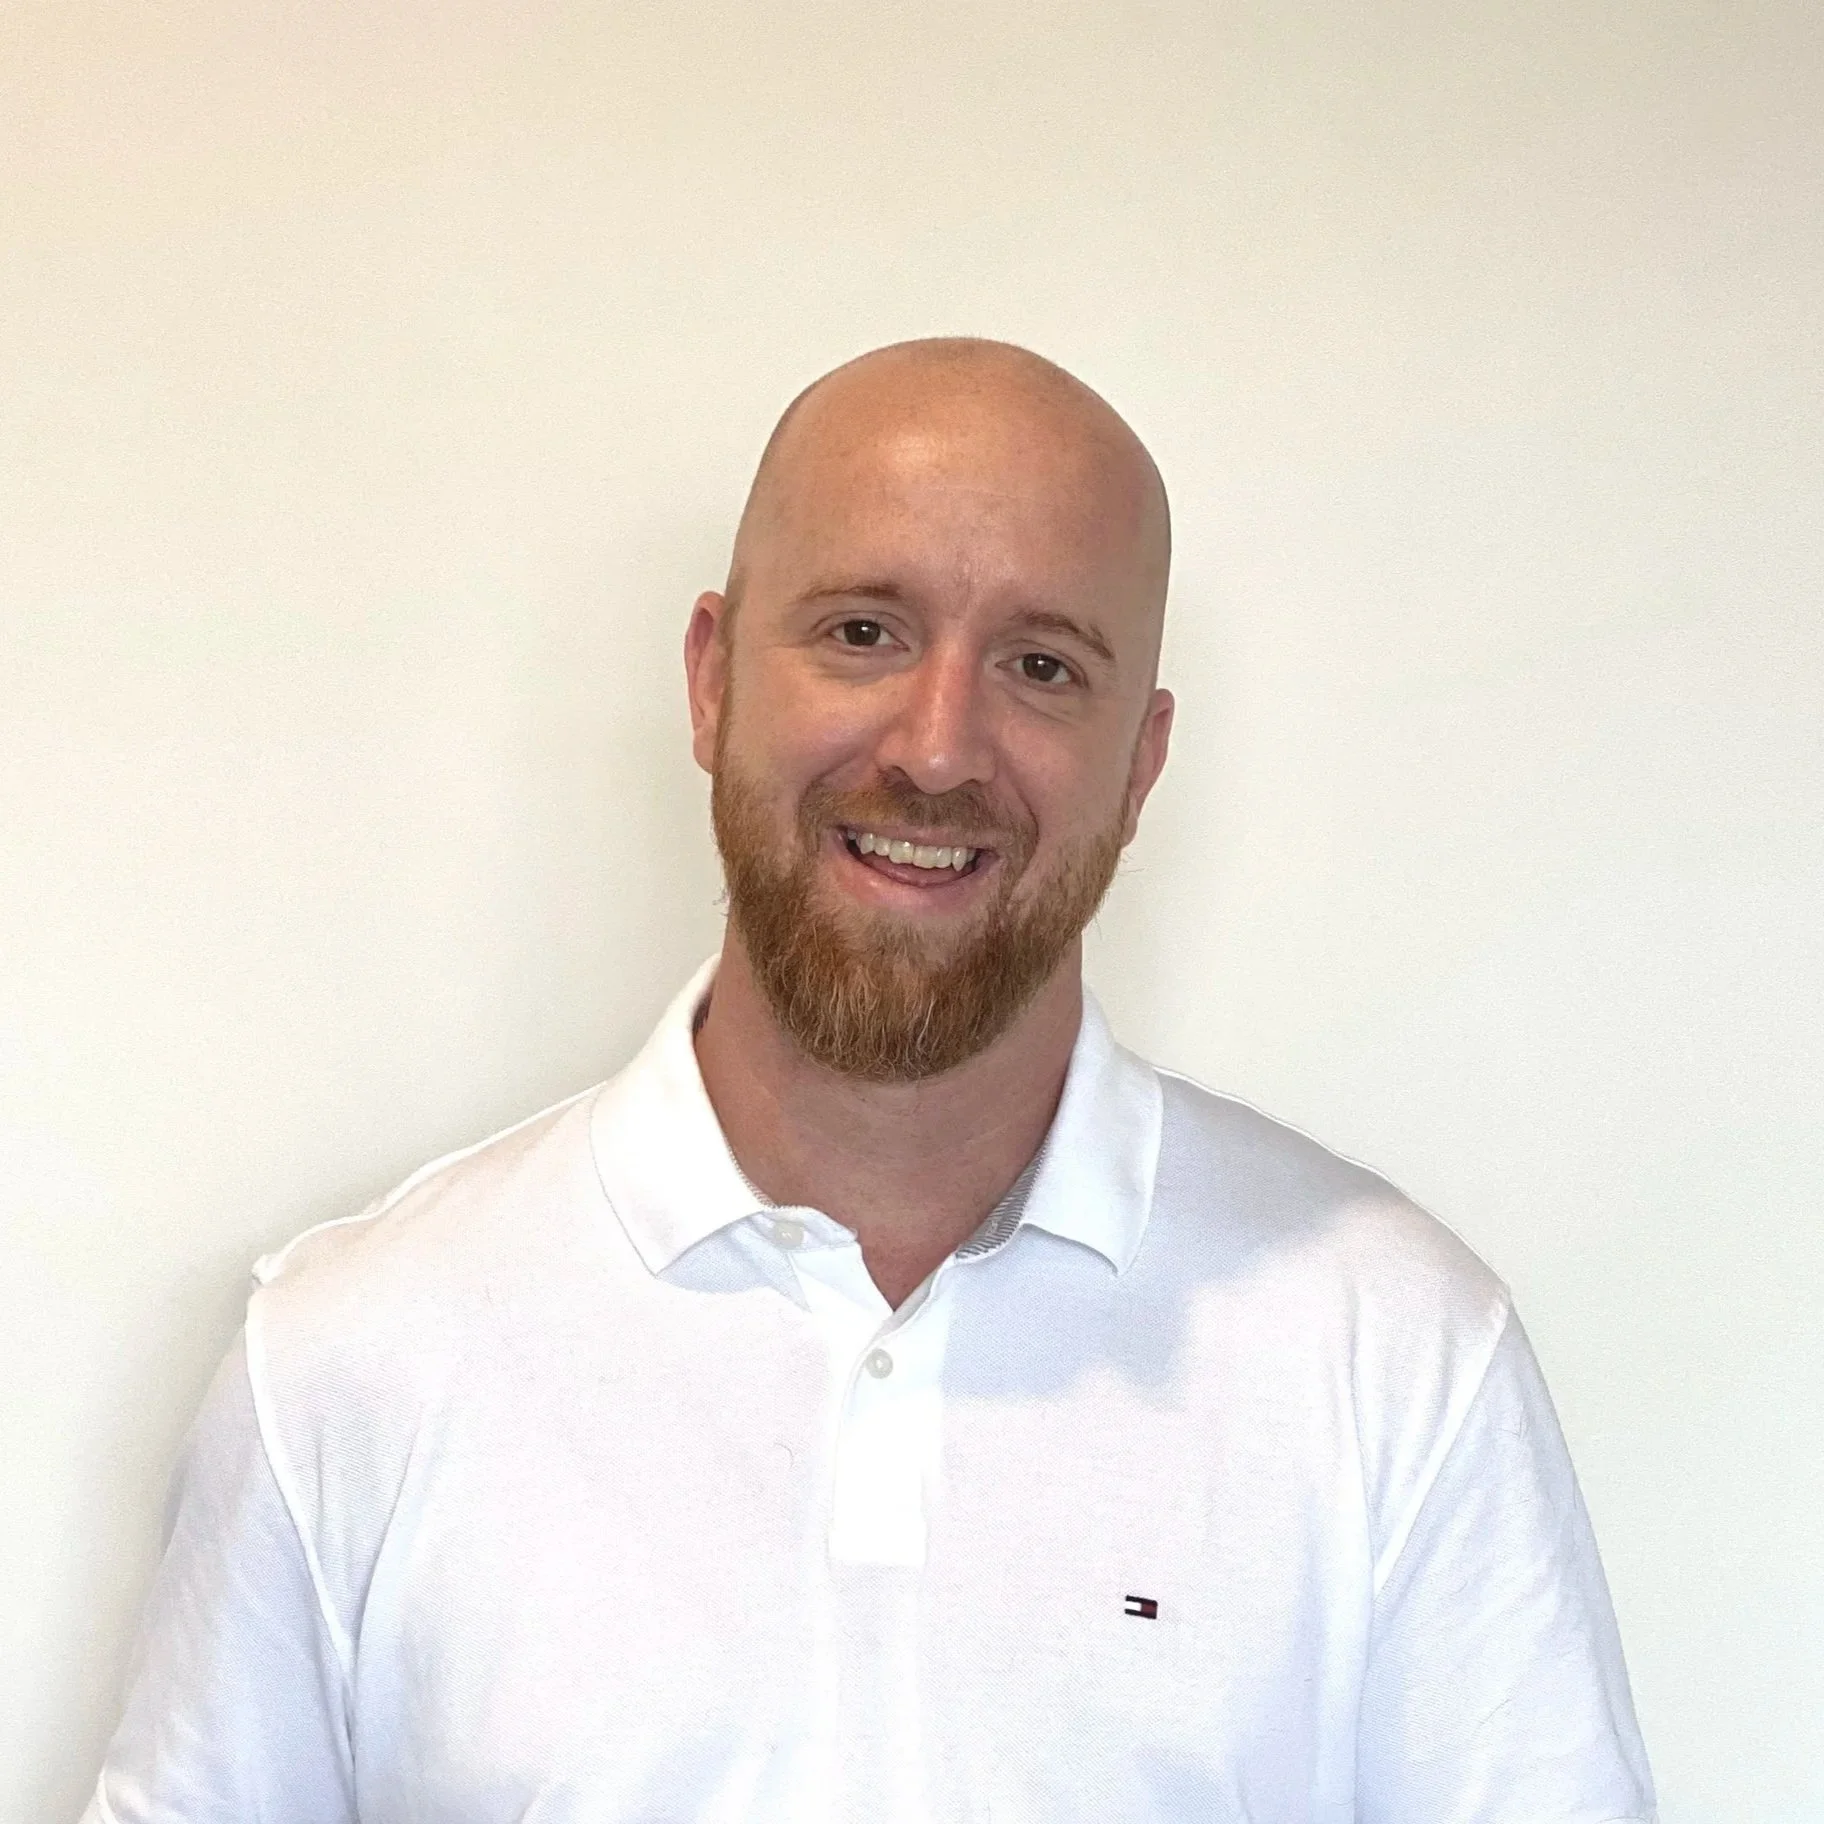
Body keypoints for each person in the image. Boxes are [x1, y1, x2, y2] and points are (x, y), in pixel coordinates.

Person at [80, 338, 1657, 1822]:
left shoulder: (1394, 1358)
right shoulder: (355, 1358)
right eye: (862, 632)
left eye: (1043, 666)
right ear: (710, 680)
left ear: (1142, 764)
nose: (939, 744)